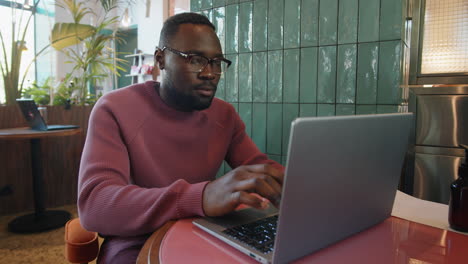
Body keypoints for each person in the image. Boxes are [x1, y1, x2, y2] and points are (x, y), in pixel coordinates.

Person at [78, 12, 284, 264]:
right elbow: (95, 205)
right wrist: (201, 196)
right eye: (196, 59)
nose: (210, 73)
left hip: (205, 228)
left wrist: (310, 185)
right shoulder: (114, 109)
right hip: (137, 238)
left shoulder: (225, 115)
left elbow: (261, 168)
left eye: (217, 62)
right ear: (160, 59)